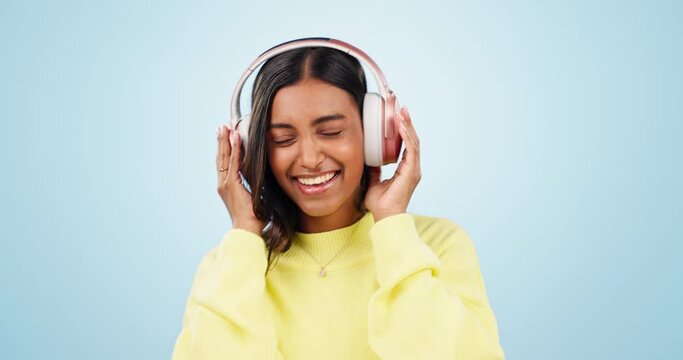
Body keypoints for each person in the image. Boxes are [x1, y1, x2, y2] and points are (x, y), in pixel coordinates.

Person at [172, 40, 505, 359]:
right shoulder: (227, 267)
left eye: (330, 132)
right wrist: (245, 231)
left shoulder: (437, 245)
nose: (310, 158)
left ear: (376, 135)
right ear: (255, 151)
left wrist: (392, 225)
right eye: (283, 139)